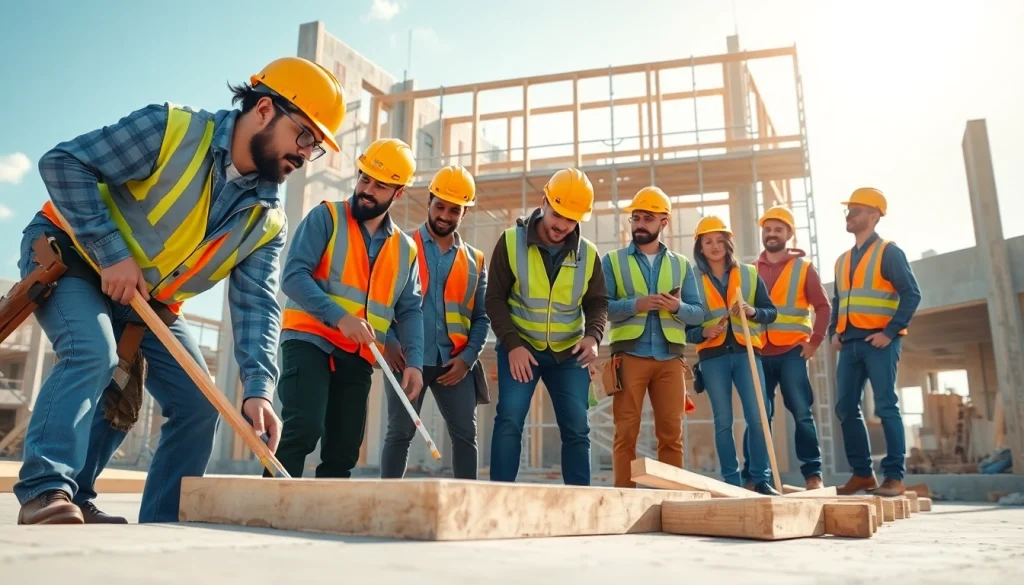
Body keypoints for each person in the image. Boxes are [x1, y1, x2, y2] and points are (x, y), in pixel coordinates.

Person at [14, 56, 346, 525]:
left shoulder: (268, 219)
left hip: (148, 299)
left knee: (199, 404)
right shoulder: (170, 129)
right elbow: (64, 163)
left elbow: (256, 306)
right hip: (69, 252)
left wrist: (259, 389)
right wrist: (110, 252)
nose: (305, 154)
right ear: (266, 109)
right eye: (305, 136)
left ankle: (160, 521)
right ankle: (45, 490)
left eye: (314, 147)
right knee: (94, 352)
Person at [271, 138, 424, 479]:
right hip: (309, 340)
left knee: (344, 446)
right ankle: (272, 507)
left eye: (379, 185)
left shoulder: (406, 249)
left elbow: (410, 309)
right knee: (304, 428)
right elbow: (293, 277)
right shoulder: (326, 217)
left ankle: (326, 518)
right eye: (364, 178)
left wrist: (414, 360)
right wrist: (340, 318)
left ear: (397, 194)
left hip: (359, 353)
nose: (367, 190)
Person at [485, 168, 608, 486]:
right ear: (544, 202)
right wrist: (512, 345)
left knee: (578, 429)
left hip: (569, 355)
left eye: (571, 219)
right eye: (558, 214)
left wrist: (593, 337)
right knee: (509, 420)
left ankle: (580, 505)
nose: (563, 225)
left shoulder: (589, 254)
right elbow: (494, 299)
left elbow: (597, 304)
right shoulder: (511, 242)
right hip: (520, 349)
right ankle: (498, 498)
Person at [379, 165, 490, 479]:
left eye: (454, 210)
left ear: (463, 213)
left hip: (453, 362)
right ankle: (389, 507)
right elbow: (379, 303)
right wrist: (388, 341)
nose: (444, 215)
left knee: (466, 437)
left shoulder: (476, 260)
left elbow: (482, 318)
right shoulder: (399, 245)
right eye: (439, 206)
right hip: (406, 357)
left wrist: (467, 359)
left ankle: (466, 512)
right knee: (400, 433)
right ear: (429, 202)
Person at [602, 186, 705, 488]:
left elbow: (698, 313)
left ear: (664, 223)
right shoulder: (613, 260)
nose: (639, 224)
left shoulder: (681, 264)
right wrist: (638, 304)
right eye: (636, 218)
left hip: (670, 359)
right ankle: (625, 498)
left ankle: (672, 500)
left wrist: (677, 307)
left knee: (671, 435)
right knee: (626, 433)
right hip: (629, 357)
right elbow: (603, 307)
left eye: (648, 218)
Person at [829, 188, 921, 496]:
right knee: (844, 407)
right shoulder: (842, 260)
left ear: (874, 215)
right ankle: (862, 474)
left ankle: (894, 476)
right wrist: (834, 331)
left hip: (880, 342)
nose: (849, 215)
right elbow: (838, 299)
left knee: (885, 406)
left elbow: (912, 294)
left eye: (855, 210)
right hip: (850, 343)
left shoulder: (889, 253)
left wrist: (890, 332)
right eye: (848, 211)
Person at [685, 215, 779, 495]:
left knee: (759, 416)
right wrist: (703, 332)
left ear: (728, 243)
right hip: (713, 359)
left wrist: (752, 312)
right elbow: (687, 328)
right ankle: (732, 482)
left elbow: (770, 312)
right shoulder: (692, 280)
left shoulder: (749, 274)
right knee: (723, 421)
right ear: (700, 247)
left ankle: (760, 480)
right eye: (707, 242)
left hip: (747, 354)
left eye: (719, 240)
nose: (714, 246)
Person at [739, 205, 831, 491]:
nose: (771, 234)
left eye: (778, 229)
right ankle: (753, 477)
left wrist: (814, 342)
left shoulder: (804, 268)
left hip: (792, 351)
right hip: (758, 352)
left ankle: (812, 474)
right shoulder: (751, 270)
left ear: (789, 234)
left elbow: (823, 307)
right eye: (767, 229)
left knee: (801, 412)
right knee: (758, 415)